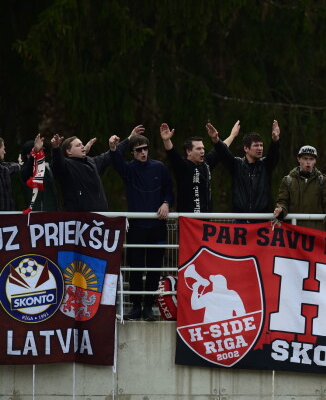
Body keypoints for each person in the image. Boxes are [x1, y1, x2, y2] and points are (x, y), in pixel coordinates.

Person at [110, 133, 174, 320]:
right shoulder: (129, 169)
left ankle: (148, 307)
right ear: (133, 152)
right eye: (139, 150)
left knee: (155, 268)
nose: (143, 152)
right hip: (137, 227)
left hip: (158, 227)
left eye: (146, 148)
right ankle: (136, 306)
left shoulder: (159, 167)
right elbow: (116, 163)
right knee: (136, 268)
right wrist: (114, 148)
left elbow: (169, 191)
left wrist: (166, 203)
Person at [50, 126, 143, 212]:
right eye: (78, 145)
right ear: (68, 151)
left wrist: (130, 138)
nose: (82, 146)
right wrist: (56, 148)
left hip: (100, 219)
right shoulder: (66, 166)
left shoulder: (91, 162)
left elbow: (111, 154)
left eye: (82, 144)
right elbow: (57, 164)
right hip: (78, 221)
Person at [159, 121, 239, 213]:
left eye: (203, 148)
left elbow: (221, 148)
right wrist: (166, 140)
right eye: (198, 148)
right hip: (189, 221)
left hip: (206, 220)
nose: (202, 151)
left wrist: (232, 135)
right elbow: (172, 153)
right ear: (188, 152)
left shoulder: (206, 163)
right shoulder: (182, 166)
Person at [216, 120, 280, 221]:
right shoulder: (237, 164)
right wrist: (216, 140)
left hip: (262, 220)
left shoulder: (265, 165)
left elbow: (273, 154)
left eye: (261, 145)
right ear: (246, 148)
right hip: (240, 220)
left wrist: (275, 140)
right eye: (256, 145)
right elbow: (224, 154)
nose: (260, 148)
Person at [274, 145, 326, 231]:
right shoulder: (288, 181)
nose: (308, 162)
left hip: (316, 233)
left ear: (315, 161)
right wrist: (281, 210)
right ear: (299, 159)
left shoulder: (322, 181)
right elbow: (283, 201)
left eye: (311, 159)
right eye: (305, 158)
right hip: (294, 232)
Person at [20, 135, 59, 212]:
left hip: (53, 214)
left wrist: (56, 149)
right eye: (39, 150)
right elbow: (29, 170)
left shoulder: (47, 168)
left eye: (41, 149)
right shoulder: (25, 171)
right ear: (28, 155)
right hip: (35, 217)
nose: (42, 152)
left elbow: (59, 166)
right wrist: (34, 152)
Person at [0, 137, 20, 211]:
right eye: (3, 149)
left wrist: (19, 165)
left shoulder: (3, 167)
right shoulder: (3, 169)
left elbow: (8, 166)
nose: (5, 152)